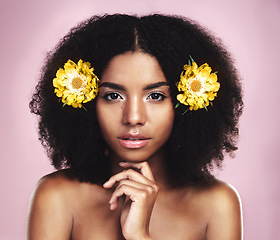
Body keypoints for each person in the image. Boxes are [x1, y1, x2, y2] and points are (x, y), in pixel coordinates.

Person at [27, 13, 243, 240]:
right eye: (113, 96)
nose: (133, 117)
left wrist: (139, 235)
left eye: (156, 96)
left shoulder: (218, 204)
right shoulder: (57, 196)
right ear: (88, 103)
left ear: (184, 103)